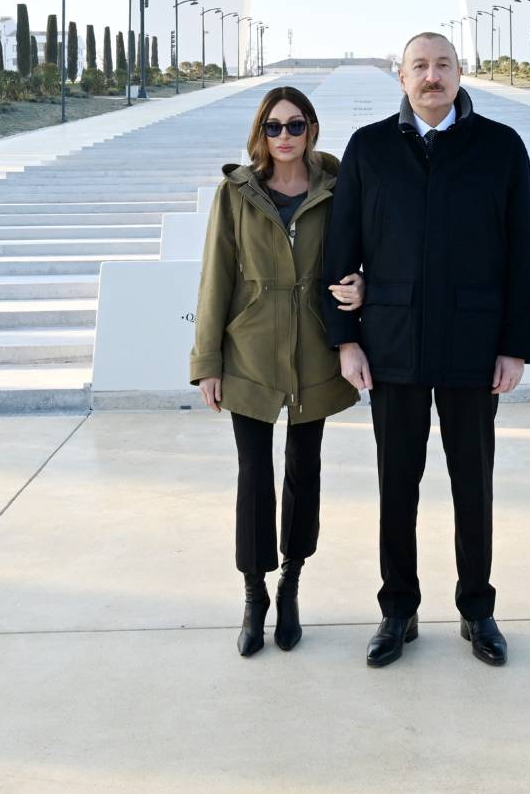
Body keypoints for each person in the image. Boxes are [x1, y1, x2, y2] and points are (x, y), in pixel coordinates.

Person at [323, 33, 530, 668]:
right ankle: (398, 610)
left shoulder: (501, 147)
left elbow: (523, 254)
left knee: (474, 484)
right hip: (392, 347)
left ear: (460, 72)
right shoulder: (368, 148)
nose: (432, 76)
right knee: (397, 485)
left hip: (474, 347)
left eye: (443, 64)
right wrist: (345, 340)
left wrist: (515, 347)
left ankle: (478, 609)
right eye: (420, 66)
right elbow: (340, 253)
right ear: (401, 77)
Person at [190, 86, 365, 657]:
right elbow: (215, 277)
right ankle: (254, 594)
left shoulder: (337, 189)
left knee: (303, 470)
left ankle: (290, 582)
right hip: (248, 351)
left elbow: (362, 253)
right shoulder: (236, 192)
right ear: (259, 132)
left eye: (294, 125)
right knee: (253, 473)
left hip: (315, 348)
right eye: (273, 126)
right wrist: (207, 361)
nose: (284, 136)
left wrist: (363, 285)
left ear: (311, 128)